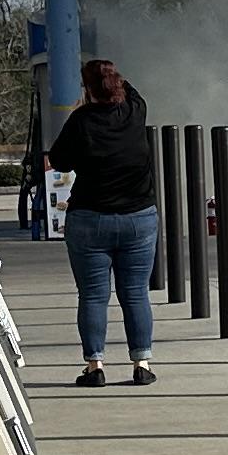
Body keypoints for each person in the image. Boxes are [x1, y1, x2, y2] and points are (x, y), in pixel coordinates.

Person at [47, 58, 163, 385]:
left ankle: (95, 366)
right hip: (139, 218)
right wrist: (112, 79)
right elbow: (131, 90)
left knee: (93, 295)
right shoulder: (135, 110)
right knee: (135, 293)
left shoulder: (81, 120)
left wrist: (84, 106)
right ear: (118, 83)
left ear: (87, 89)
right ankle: (142, 363)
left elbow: (59, 160)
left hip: (90, 218)